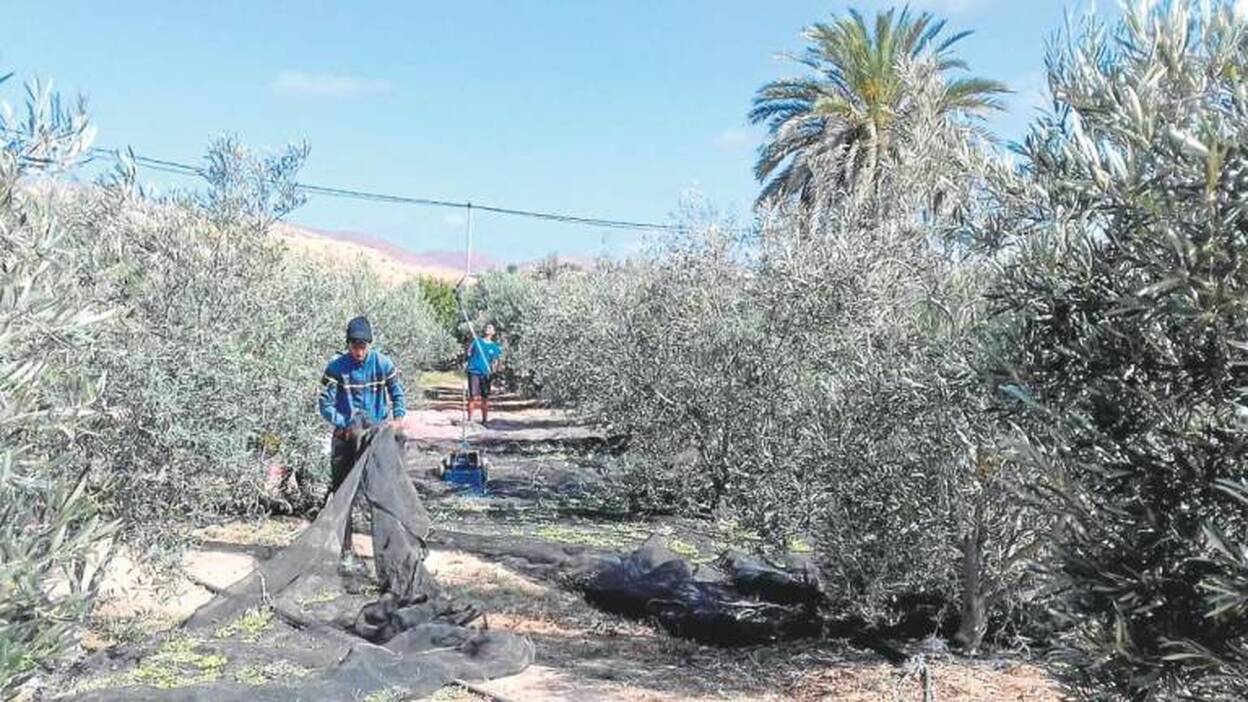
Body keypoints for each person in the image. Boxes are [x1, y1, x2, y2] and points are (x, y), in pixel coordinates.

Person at [318, 316, 407, 575]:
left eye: (363, 346)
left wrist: (398, 419)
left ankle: (392, 551)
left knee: (383, 493)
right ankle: (346, 551)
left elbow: (397, 393)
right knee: (343, 494)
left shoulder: (382, 364)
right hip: (345, 439)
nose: (359, 351)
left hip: (375, 439)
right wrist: (343, 423)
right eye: (354, 346)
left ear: (370, 344)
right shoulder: (336, 368)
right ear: (348, 344)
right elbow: (325, 403)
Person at [465, 322, 503, 425]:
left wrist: (494, 372)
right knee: (472, 396)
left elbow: (495, 361)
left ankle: (485, 420)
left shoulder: (495, 347)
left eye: (491, 328)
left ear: (493, 332)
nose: (488, 329)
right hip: (474, 371)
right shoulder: (477, 342)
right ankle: (469, 420)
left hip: (486, 373)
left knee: (485, 397)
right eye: (487, 327)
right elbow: (468, 353)